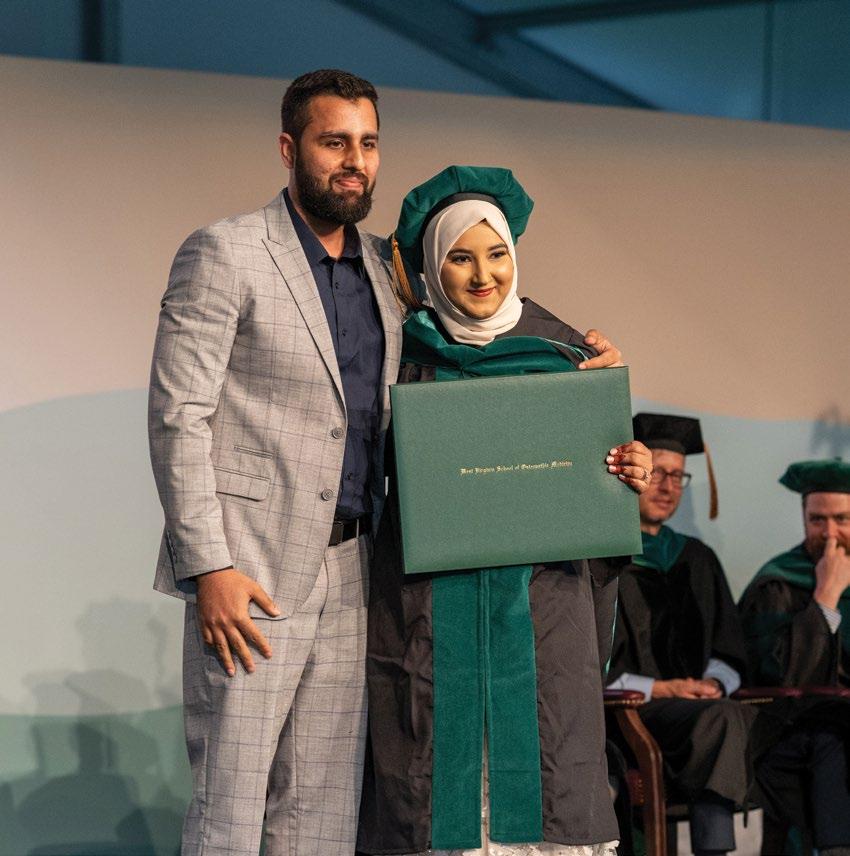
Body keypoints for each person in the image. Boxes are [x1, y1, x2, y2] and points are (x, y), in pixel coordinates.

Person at [149, 75, 627, 855]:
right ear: (289, 148)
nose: (354, 161)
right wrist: (209, 567)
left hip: (356, 572)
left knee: (322, 814)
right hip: (251, 572)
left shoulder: (389, 268)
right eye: (333, 142)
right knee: (230, 807)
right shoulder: (226, 252)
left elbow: (483, 332)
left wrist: (589, 361)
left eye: (368, 144)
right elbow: (179, 417)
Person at [355, 165, 653, 856]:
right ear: (433, 267)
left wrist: (626, 469)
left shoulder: (567, 358)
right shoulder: (401, 358)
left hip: (541, 614)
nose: (482, 275)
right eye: (459, 257)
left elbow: (598, 503)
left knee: (545, 781)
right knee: (439, 789)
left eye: (495, 254)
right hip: (435, 614)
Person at [607, 413, 755, 856]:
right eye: (657, 473)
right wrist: (663, 688)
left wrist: (712, 684)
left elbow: (729, 646)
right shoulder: (607, 559)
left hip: (695, 714)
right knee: (722, 721)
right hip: (625, 714)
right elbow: (591, 661)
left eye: (677, 476)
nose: (668, 486)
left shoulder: (696, 558)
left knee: (738, 717)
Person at [738, 459, 850, 855]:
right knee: (832, 743)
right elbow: (781, 676)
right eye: (817, 519)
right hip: (792, 729)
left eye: (842, 519)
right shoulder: (778, 583)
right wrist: (826, 599)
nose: (830, 533)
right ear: (803, 517)